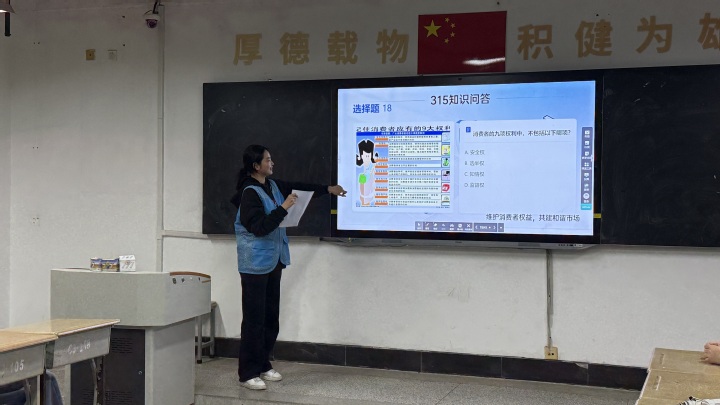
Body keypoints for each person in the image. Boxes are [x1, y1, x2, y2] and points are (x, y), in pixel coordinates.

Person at [230, 144, 346, 390]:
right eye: (267, 160)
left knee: (270, 317)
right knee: (254, 320)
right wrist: (283, 209)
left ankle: (263, 364)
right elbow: (259, 227)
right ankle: (247, 373)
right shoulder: (249, 193)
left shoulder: (272, 185)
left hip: (274, 260)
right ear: (256, 166)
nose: (272, 163)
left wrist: (328, 189)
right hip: (254, 265)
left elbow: (301, 187)